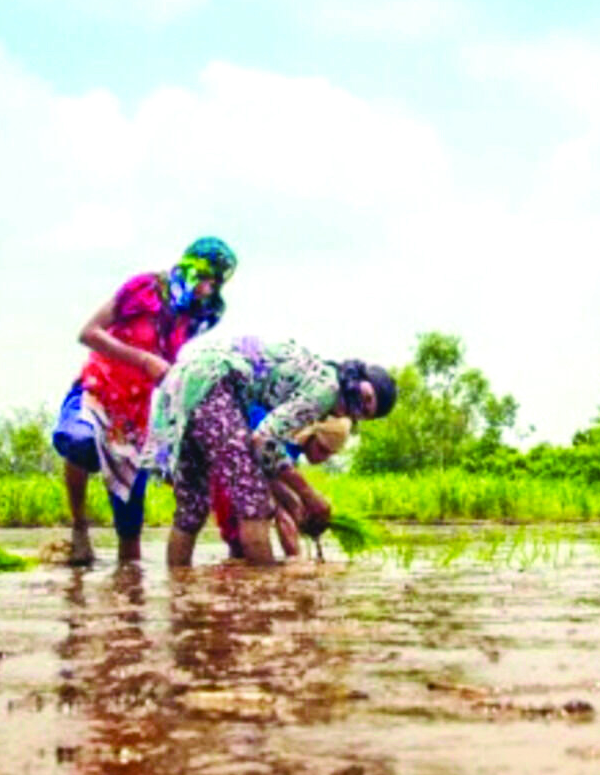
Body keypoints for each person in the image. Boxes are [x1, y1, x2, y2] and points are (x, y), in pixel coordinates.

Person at [50, 237, 238, 566]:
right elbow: (89, 333)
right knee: (79, 441)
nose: (208, 290)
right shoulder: (144, 289)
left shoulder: (194, 315)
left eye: (216, 284)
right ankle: (79, 527)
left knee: (130, 524)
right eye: (207, 279)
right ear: (192, 267)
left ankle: (130, 600)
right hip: (98, 390)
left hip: (135, 416)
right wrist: (142, 360)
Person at [142, 335, 397, 567]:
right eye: (366, 398)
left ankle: (178, 598)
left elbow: (266, 458)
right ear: (358, 377)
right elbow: (263, 440)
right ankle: (264, 601)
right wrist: (310, 495)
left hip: (186, 380)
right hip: (215, 383)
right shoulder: (328, 389)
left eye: (365, 413)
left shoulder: (321, 375)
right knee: (254, 501)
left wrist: (295, 502)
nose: (358, 409)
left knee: (192, 508)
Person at [211, 414, 351, 559]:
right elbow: (282, 509)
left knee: (240, 548)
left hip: (241, 473)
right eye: (322, 449)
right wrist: (296, 558)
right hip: (228, 467)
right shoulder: (283, 443)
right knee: (238, 541)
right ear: (310, 436)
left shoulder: (292, 452)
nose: (322, 458)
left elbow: (282, 495)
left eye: (330, 454)